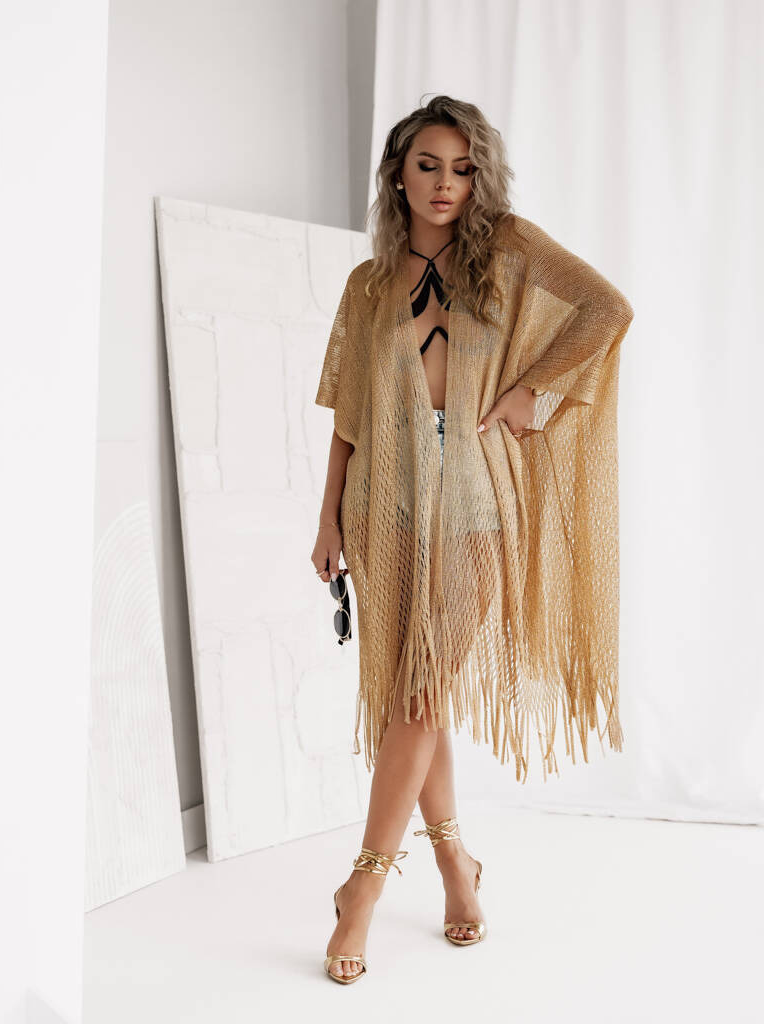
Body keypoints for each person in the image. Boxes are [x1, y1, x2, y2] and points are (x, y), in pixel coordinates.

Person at [311, 95, 634, 984]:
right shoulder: (367, 286)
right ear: (397, 175)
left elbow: (606, 309)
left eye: (462, 168)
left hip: (477, 506)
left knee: (418, 693)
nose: (445, 184)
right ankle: (457, 865)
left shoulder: (510, 252)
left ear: (479, 177)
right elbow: (349, 418)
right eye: (428, 165)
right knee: (415, 695)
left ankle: (363, 887)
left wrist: (535, 392)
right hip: (382, 507)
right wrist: (328, 517)